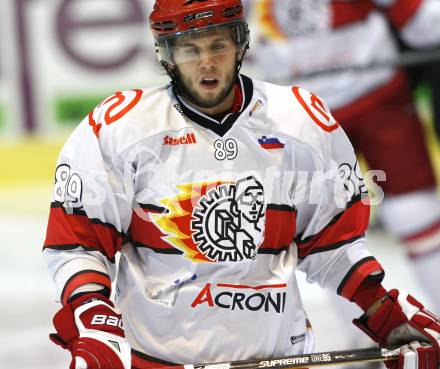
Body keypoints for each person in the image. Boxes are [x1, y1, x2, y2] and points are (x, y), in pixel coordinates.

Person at [43, 1, 440, 369]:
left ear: (240, 42)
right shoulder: (121, 129)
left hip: (280, 356)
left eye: (218, 45)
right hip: (158, 358)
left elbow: (331, 247)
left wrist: (387, 317)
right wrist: (90, 317)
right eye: (190, 50)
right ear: (166, 56)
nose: (207, 63)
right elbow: (78, 241)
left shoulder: (300, 122)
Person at [250, 0, 440, 314]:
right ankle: (363, 337)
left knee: (413, 212)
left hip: (376, 95)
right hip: (303, 111)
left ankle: (366, 337)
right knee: (327, 228)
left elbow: (422, 22)